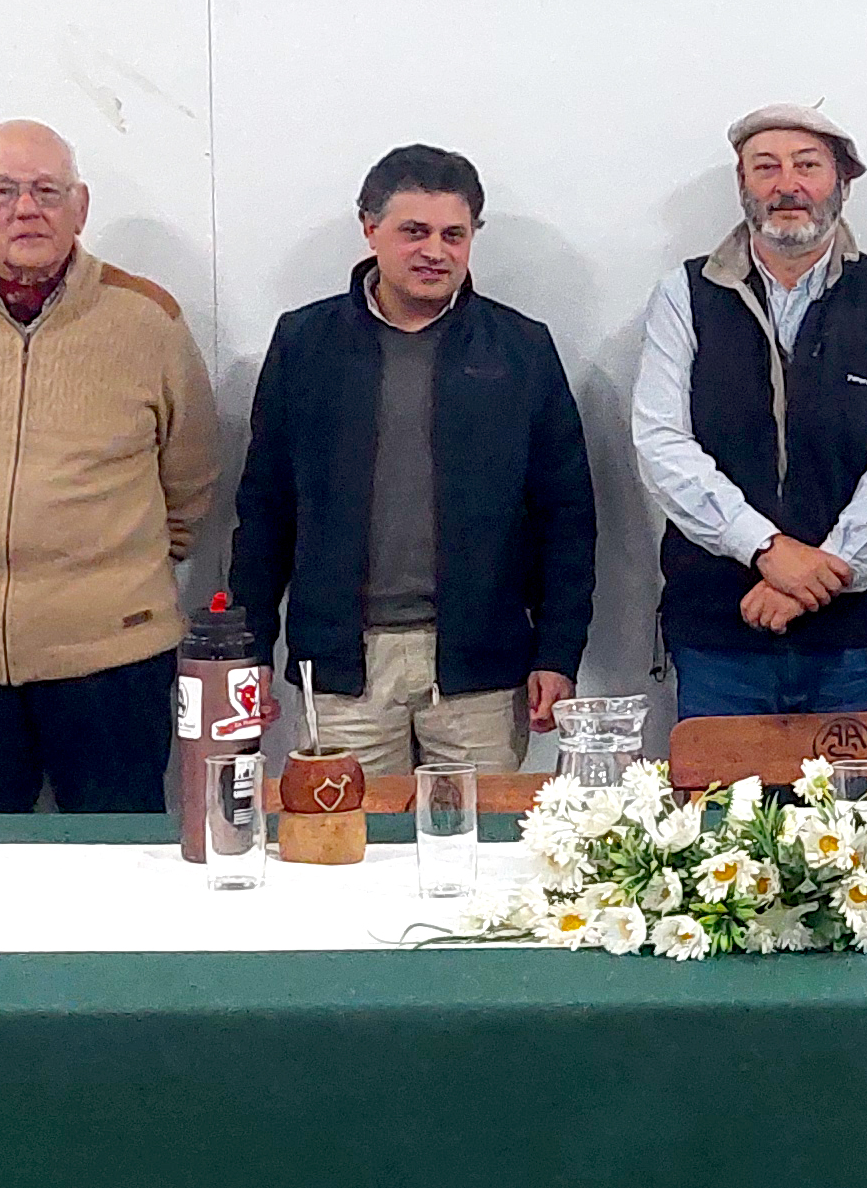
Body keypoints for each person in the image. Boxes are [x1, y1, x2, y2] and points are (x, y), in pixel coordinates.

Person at [0, 121, 220, 812]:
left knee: (121, 856)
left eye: (47, 191)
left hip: (111, 657)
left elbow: (191, 476)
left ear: (80, 207)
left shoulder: (147, 320)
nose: (26, 210)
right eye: (3, 191)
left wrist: (116, 573)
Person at [229, 145, 595, 777]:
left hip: (480, 670)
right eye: (414, 232)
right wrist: (250, 647)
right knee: (348, 832)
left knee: (481, 834)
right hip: (344, 668)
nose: (435, 251)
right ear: (370, 229)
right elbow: (265, 510)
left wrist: (558, 652)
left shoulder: (520, 349)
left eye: (454, 235)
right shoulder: (305, 345)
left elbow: (565, 515)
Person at [633, 104, 867, 720]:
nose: (787, 185)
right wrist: (766, 549)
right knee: (717, 790)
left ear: (842, 183)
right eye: (765, 167)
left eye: (807, 166)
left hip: (857, 640)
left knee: (864, 792)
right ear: (742, 183)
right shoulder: (684, 296)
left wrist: (819, 577)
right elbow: (662, 446)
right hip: (720, 636)